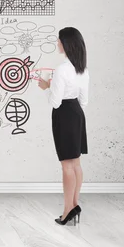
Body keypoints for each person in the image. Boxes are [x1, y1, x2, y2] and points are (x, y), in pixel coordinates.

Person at [38, 27, 89, 226]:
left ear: (66, 43)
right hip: (77, 113)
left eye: (59, 40)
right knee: (76, 163)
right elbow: (84, 101)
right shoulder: (82, 69)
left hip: (64, 115)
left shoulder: (61, 69)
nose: (57, 43)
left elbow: (55, 102)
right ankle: (74, 204)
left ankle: (68, 209)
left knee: (67, 165)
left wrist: (46, 87)